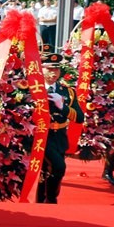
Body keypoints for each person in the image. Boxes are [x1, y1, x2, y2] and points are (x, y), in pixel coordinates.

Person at [37, 47, 83, 204]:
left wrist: (62, 106)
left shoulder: (67, 92)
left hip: (60, 138)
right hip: (41, 137)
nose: (53, 73)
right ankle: (51, 200)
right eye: (49, 68)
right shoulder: (33, 89)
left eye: (56, 68)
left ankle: (41, 200)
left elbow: (80, 117)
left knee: (48, 171)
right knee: (59, 167)